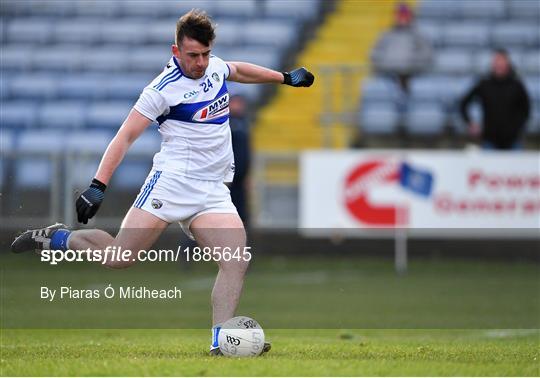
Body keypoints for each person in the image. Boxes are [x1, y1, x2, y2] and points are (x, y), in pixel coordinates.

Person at [11, 9, 314, 356]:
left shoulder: (214, 67)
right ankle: (57, 237)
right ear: (176, 52)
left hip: (212, 190)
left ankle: (221, 344)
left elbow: (239, 69)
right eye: (192, 55)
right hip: (170, 184)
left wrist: (285, 77)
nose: (201, 62)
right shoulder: (161, 90)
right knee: (120, 258)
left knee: (236, 259)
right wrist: (98, 185)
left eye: (205, 54)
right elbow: (124, 137)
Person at [460, 49, 530, 150]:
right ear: (492, 64)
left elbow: (526, 109)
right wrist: (470, 122)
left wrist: (517, 127)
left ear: (508, 63)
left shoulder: (517, 85)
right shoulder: (484, 84)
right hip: (489, 141)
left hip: (513, 141)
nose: (499, 65)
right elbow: (464, 103)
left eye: (502, 61)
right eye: (496, 61)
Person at [370, 2, 433, 93]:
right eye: (400, 15)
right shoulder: (386, 35)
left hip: (411, 76)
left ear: (410, 17)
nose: (402, 18)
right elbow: (374, 54)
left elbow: (427, 55)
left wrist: (410, 65)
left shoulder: (419, 35)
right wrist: (388, 65)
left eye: (405, 15)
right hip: (388, 76)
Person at [228, 95, 251, 226]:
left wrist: (248, 175)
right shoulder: (224, 122)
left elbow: (246, 152)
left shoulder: (244, 122)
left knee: (241, 215)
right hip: (226, 179)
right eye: (235, 103)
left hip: (240, 180)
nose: (238, 106)